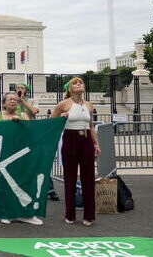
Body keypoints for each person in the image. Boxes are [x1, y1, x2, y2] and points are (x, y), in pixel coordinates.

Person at [52, 77, 100, 226]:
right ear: (70, 88)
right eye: (75, 83)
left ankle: (89, 215)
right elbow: (51, 121)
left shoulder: (88, 105)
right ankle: (70, 214)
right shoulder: (64, 104)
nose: (79, 84)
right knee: (70, 177)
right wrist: (60, 117)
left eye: (80, 82)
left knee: (88, 178)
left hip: (86, 140)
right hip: (70, 139)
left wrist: (96, 143)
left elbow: (90, 125)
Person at [0, 92, 43, 225]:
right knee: (4, 184)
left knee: (22, 181)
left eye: (15, 99)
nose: (13, 101)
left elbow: (31, 132)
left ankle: (25, 213)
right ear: (4, 103)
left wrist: (20, 124)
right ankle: (7, 213)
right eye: (10, 99)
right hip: (2, 153)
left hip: (19, 153)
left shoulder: (23, 115)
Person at [16, 83, 59, 201]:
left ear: (26, 91)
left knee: (39, 160)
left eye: (22, 88)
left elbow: (34, 111)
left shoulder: (32, 100)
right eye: (18, 88)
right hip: (18, 135)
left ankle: (50, 189)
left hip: (32, 134)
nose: (20, 89)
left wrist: (23, 101)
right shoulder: (12, 101)